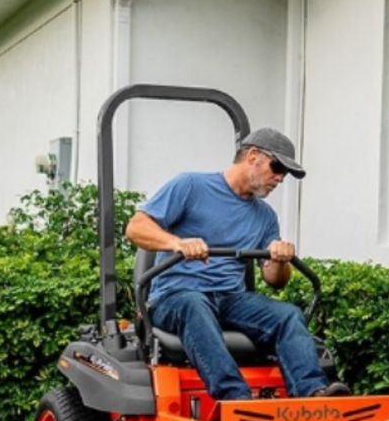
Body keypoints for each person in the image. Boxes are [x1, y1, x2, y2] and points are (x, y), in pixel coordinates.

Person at [125, 127, 350, 400]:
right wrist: (177, 243)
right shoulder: (191, 186)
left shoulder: (265, 216)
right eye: (277, 167)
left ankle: (313, 393)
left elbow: (275, 280)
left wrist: (280, 258)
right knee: (194, 305)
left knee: (288, 315)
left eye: (285, 174)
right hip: (175, 297)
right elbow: (136, 228)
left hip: (230, 300)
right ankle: (235, 399)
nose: (279, 178)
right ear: (253, 155)